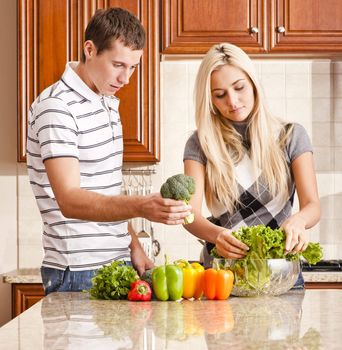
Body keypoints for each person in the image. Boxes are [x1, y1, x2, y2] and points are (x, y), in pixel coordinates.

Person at [27, 7, 192, 295]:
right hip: (78, 270)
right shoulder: (57, 107)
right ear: (89, 49)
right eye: (118, 64)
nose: (126, 78)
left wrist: (134, 246)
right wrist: (142, 205)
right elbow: (70, 200)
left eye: (133, 67)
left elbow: (106, 190)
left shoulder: (106, 101)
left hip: (117, 263)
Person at [183, 43, 320, 287]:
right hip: (223, 276)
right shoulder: (200, 143)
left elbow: (312, 205)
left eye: (239, 87)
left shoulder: (291, 136)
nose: (233, 101)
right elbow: (190, 215)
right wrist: (219, 236)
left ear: (253, 83)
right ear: (210, 99)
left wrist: (298, 221)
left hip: (280, 272)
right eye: (220, 94)